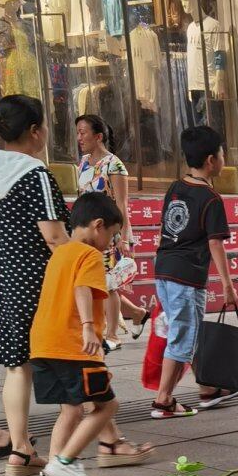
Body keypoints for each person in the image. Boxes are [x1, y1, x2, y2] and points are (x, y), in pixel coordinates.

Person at [27, 193, 131, 476]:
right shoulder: (89, 256)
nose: (110, 243)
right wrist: (88, 326)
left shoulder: (59, 253)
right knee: (106, 405)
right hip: (73, 346)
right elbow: (82, 288)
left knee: (71, 409)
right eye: (111, 235)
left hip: (43, 345)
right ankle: (64, 462)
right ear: (98, 225)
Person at [0, 94, 68, 476]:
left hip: (4, 283)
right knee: (72, 359)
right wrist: (78, 273)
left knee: (16, 367)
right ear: (35, 131)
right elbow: (54, 237)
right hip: (41, 283)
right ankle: (105, 438)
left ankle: (20, 449)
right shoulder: (34, 174)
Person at [151, 124, 238, 420]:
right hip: (186, 276)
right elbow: (215, 244)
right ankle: (163, 400)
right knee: (182, 336)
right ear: (211, 160)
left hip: (164, 269)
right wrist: (227, 284)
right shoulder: (211, 199)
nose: (223, 157)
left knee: (186, 331)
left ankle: (207, 387)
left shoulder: (176, 188)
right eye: (222, 152)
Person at [75, 112, 138, 347]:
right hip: (85, 233)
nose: (79, 138)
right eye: (78, 133)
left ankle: (112, 335)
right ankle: (129, 317)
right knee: (92, 281)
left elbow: (122, 204)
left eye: (83, 132)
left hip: (107, 234)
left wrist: (123, 237)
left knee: (109, 284)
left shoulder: (114, 164)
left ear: (98, 136)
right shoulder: (82, 162)